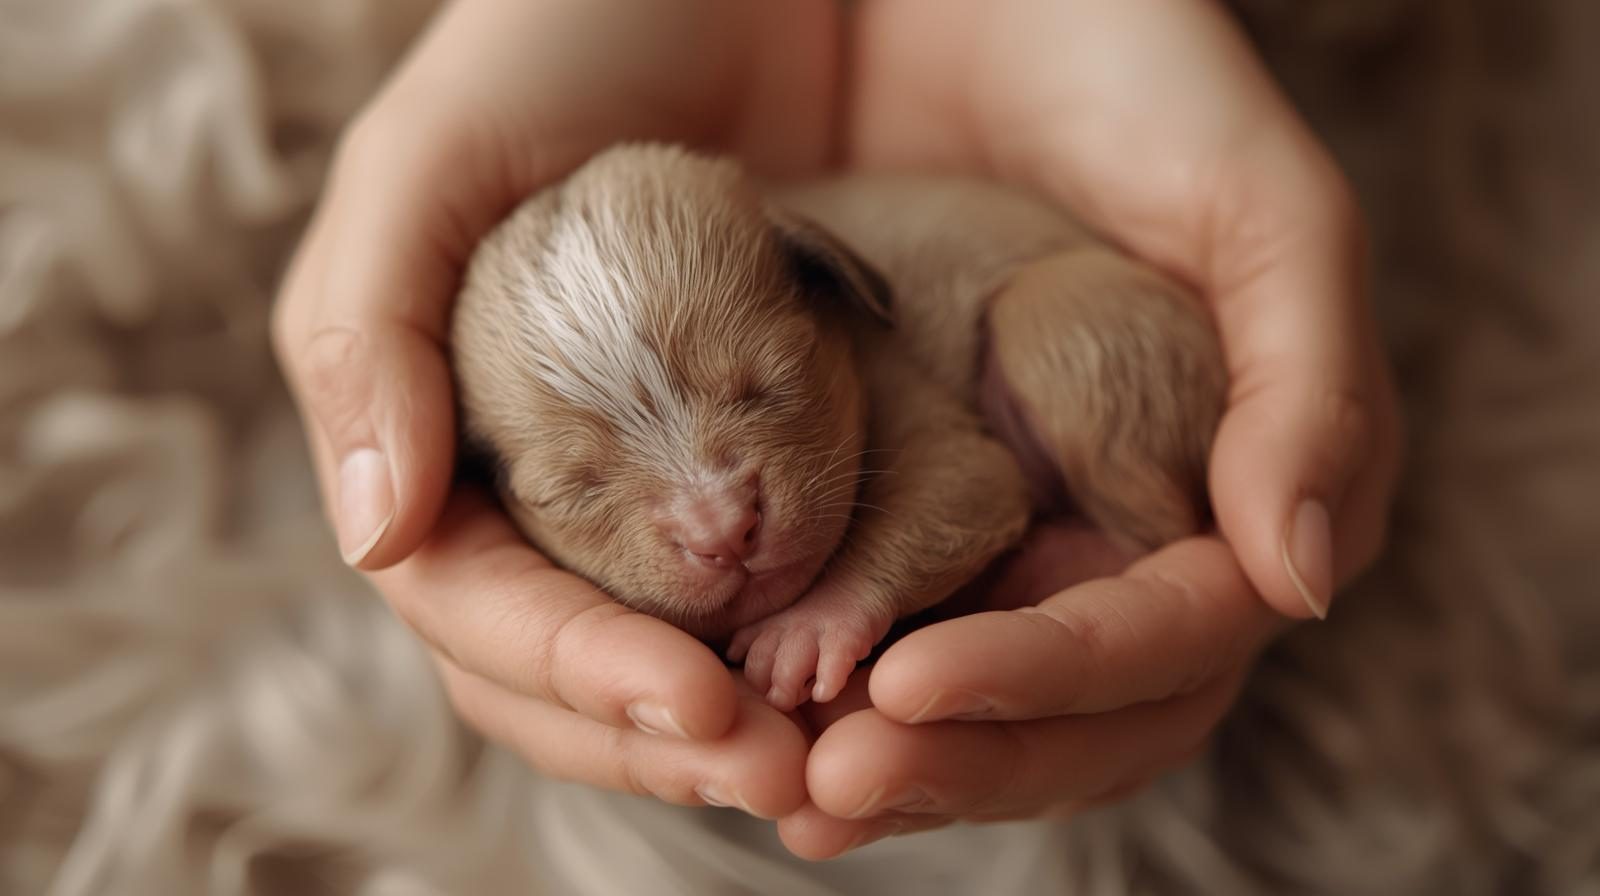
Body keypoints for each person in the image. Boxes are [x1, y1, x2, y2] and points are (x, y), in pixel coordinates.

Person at [270, 0, 1402, 860]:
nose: (716, 513)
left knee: (1067, 336)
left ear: (823, 279)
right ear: (487, 475)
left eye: (761, 389)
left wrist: (850, 597)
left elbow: (973, 477)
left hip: (1057, 316)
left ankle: (1122, 528)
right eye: (575, 487)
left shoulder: (860, 331)